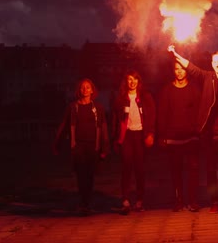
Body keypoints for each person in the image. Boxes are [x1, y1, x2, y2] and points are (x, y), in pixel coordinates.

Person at [167, 45, 218, 217]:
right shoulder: (208, 78)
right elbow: (191, 67)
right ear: (211, 63)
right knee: (211, 169)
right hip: (210, 134)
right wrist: (174, 54)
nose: (217, 65)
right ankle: (215, 201)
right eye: (214, 61)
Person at [53, 78, 110, 215]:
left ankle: (87, 203)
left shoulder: (98, 108)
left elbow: (103, 128)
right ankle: (83, 203)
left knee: (89, 176)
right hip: (78, 146)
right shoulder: (73, 107)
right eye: (83, 87)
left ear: (92, 90)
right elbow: (64, 126)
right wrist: (57, 143)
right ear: (79, 90)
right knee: (81, 175)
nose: (85, 89)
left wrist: (105, 146)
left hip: (92, 146)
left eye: (88, 87)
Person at [158, 61, 201, 212]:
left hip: (191, 137)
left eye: (182, 69)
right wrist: (162, 135)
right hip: (173, 138)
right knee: (176, 171)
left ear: (187, 71)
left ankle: (193, 201)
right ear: (173, 71)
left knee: (193, 169)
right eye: (177, 69)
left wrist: (198, 131)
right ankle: (178, 200)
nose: (180, 72)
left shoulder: (194, 89)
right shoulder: (167, 90)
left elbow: (199, 111)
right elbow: (162, 114)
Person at [111, 69, 155, 214]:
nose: (132, 82)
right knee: (126, 167)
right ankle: (125, 200)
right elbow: (115, 120)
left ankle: (140, 200)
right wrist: (115, 139)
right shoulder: (120, 99)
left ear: (139, 81)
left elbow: (152, 116)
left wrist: (150, 134)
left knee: (140, 169)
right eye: (129, 79)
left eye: (135, 79)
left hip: (140, 135)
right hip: (127, 136)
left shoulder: (145, 97)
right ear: (126, 82)